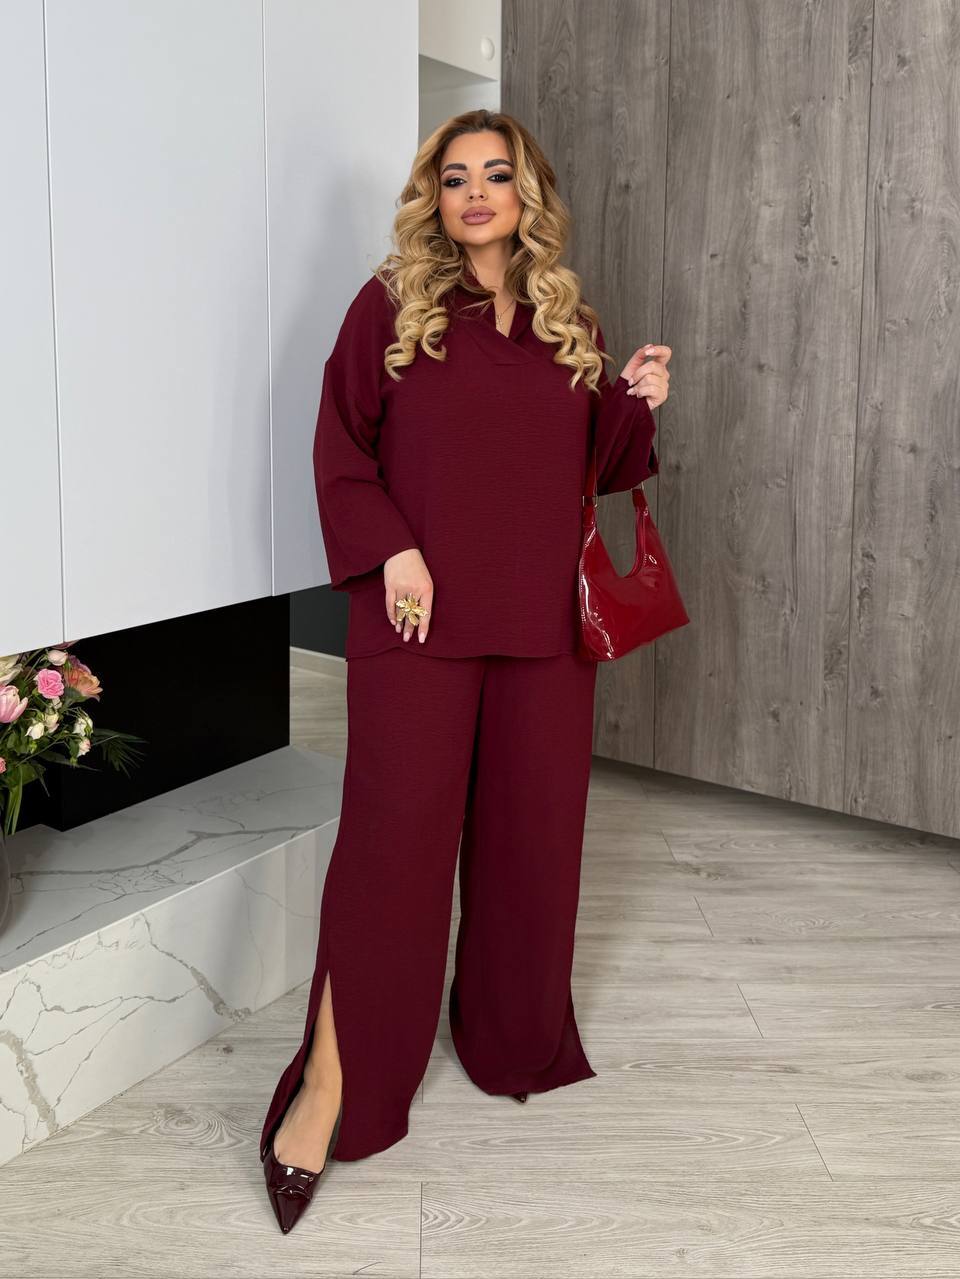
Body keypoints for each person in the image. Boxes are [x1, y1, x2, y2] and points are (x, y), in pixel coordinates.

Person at [259, 108, 671, 1234]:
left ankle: (510, 1036)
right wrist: (395, 549)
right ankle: (339, 1083)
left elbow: (596, 465)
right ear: (433, 197)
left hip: (544, 627)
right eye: (456, 177)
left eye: (497, 173)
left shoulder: (568, 319)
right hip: (417, 618)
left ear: (528, 192)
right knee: (391, 850)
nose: (477, 192)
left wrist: (634, 401)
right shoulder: (390, 307)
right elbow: (339, 446)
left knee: (533, 839)